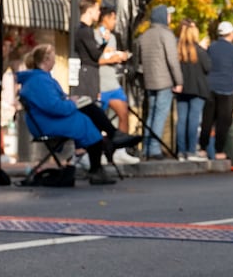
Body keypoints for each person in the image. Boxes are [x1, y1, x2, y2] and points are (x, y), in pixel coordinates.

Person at [15, 43, 142, 185]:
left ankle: (111, 138)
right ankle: (109, 143)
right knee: (88, 119)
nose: (55, 61)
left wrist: (71, 101)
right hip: (47, 122)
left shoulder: (39, 79)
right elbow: (54, 107)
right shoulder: (39, 81)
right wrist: (72, 103)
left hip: (46, 120)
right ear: (46, 60)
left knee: (88, 110)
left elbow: (54, 103)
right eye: (53, 58)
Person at [135, 5, 181, 158]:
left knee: (151, 115)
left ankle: (147, 147)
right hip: (164, 81)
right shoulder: (166, 35)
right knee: (160, 115)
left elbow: (139, 60)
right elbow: (173, 60)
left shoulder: (145, 35)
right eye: (168, 15)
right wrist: (178, 81)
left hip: (149, 80)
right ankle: (154, 149)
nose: (170, 18)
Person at [201, 21, 233, 159]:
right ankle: (219, 151)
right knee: (223, 122)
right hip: (227, 90)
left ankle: (202, 148)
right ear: (231, 34)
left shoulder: (211, 48)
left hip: (210, 88)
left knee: (207, 120)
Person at [94, 6, 134, 152]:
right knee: (98, 120)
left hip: (112, 83)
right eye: (113, 18)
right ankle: (98, 151)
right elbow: (96, 59)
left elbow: (110, 55)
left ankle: (120, 150)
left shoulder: (113, 37)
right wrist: (111, 58)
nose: (115, 22)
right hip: (100, 83)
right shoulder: (95, 35)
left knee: (123, 113)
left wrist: (119, 57)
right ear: (106, 17)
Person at [174, 20, 211, 159]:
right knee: (194, 120)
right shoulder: (199, 51)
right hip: (198, 88)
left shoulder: (178, 50)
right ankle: (191, 150)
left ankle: (181, 151)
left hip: (182, 88)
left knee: (182, 120)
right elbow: (208, 68)